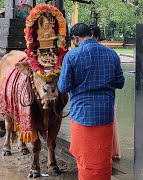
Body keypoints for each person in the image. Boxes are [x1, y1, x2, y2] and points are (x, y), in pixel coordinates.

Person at [58, 23, 125, 180]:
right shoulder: (112, 54)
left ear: (75, 38)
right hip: (105, 114)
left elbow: (63, 87)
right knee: (102, 158)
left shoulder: (72, 56)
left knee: (85, 157)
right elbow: (120, 82)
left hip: (82, 115)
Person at [89, 23, 121, 160]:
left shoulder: (77, 55)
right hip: (107, 99)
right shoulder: (111, 54)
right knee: (109, 125)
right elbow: (120, 82)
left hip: (87, 103)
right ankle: (111, 153)